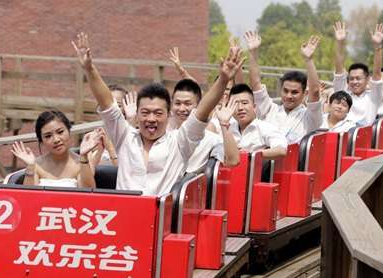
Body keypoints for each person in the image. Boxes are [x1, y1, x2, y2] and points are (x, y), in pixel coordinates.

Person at [73, 32, 244, 195]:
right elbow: (107, 103)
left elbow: (201, 111)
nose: (151, 119)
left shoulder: (179, 141)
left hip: (163, 219)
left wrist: (223, 79)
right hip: (124, 215)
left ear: (169, 114)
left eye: (158, 113)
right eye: (145, 113)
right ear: (137, 113)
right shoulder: (125, 136)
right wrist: (89, 68)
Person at [244, 30, 318, 144]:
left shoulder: (310, 117)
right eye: (286, 91)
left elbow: (315, 91)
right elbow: (255, 84)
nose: (289, 96)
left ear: (305, 94)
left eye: (294, 92)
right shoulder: (269, 110)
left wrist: (308, 60)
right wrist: (253, 52)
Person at [11, 110, 101, 188]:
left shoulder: (82, 162)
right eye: (48, 136)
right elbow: (28, 198)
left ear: (69, 132)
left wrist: (84, 156)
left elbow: (88, 193)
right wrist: (30, 166)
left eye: (60, 132)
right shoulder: (36, 165)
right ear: (41, 141)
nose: (56, 140)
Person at [169, 78, 240, 172]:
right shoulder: (163, 134)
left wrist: (224, 124)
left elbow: (233, 161)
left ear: (199, 106)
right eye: (177, 103)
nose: (182, 109)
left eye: (187, 104)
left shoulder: (209, 139)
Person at [332, 22, 383, 126]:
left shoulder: (374, 96)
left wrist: (377, 46)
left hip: (362, 137)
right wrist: (340, 43)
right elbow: (339, 68)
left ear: (367, 79)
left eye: (358, 78)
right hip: (340, 134)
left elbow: (377, 73)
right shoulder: (343, 94)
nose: (354, 82)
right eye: (351, 79)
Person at [303, 35, 356, 133]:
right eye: (337, 103)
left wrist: (340, 43)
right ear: (329, 105)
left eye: (344, 105)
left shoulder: (351, 127)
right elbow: (311, 103)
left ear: (348, 110)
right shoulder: (319, 121)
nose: (339, 107)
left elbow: (340, 72)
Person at [227, 84, 287, 158]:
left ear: (254, 107)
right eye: (235, 104)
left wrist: (250, 155)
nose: (240, 108)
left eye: (244, 103)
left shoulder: (265, 128)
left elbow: (281, 150)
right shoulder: (227, 129)